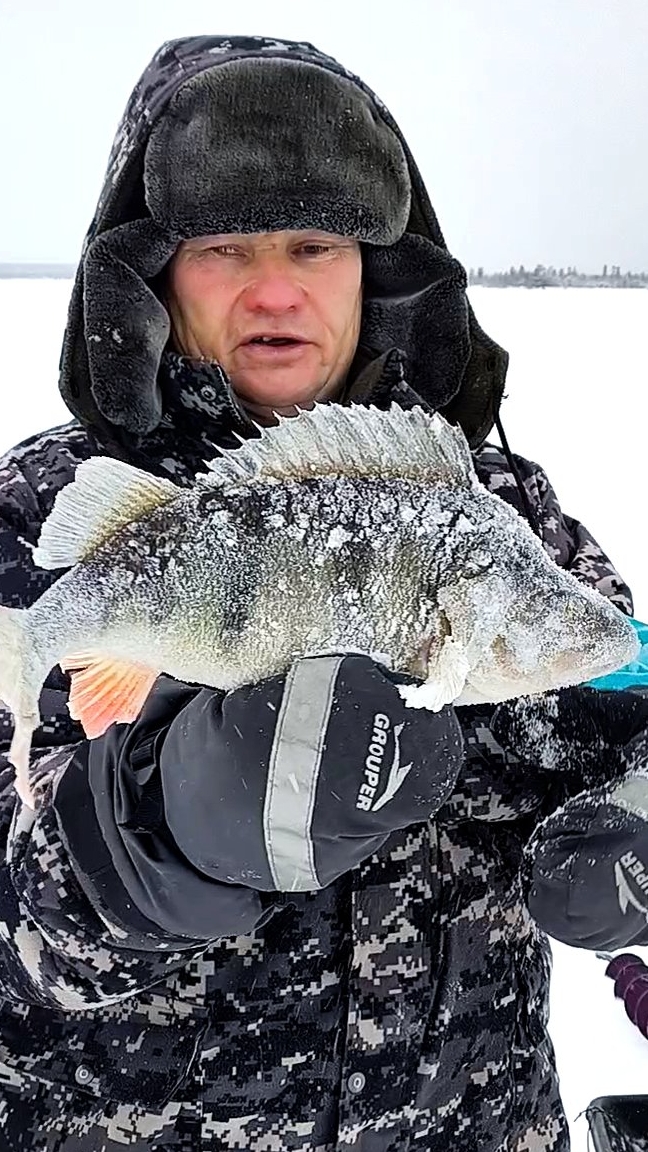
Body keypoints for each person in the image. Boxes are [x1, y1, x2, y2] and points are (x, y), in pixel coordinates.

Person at [1, 33, 647, 1152]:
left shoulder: (500, 513)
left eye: (314, 242)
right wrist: (151, 835)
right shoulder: (41, 515)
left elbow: (612, 684)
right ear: (148, 276)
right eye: (223, 248)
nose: (274, 288)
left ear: (375, 270)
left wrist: (633, 822)